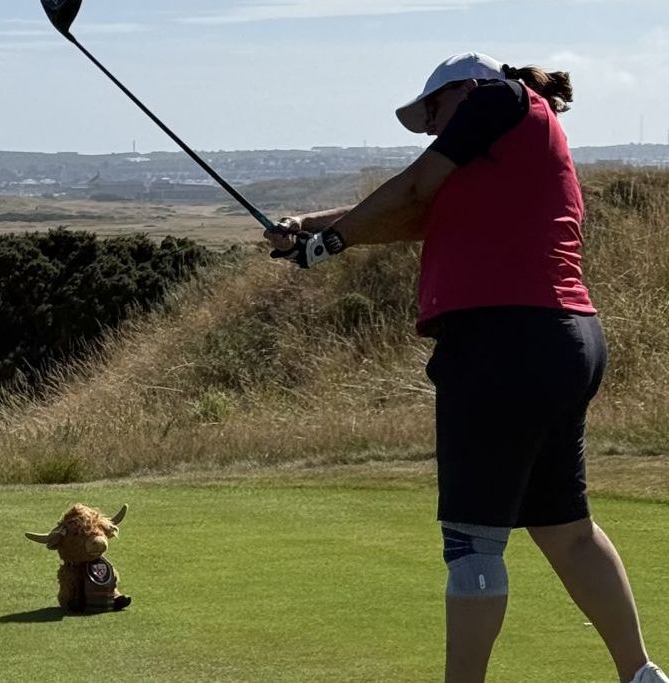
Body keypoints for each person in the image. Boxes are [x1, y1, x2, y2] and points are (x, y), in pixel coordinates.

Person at [267, 53, 667, 683]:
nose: (430, 129)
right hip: (564, 343)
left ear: (460, 92)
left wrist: (331, 243)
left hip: (499, 344)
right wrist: (313, 230)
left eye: (431, 111)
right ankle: (641, 675)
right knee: (567, 530)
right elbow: (419, 214)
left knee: (473, 544)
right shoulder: (515, 140)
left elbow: (416, 187)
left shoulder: (496, 100)